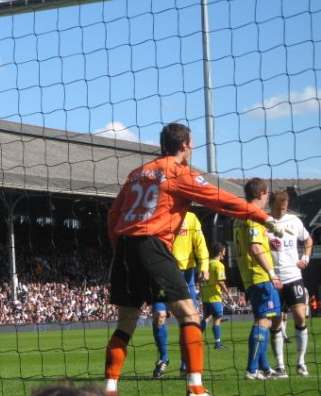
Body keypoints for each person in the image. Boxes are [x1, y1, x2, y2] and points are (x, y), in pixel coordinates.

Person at [105, 123, 289, 396]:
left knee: (126, 323)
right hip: (153, 245)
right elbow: (222, 200)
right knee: (189, 314)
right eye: (191, 144)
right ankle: (196, 387)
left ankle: (109, 388)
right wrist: (264, 218)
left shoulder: (135, 174)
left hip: (123, 251)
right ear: (185, 145)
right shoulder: (179, 173)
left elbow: (113, 214)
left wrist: (118, 246)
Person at [233, 178, 284, 380]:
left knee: (266, 320)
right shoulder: (253, 216)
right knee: (263, 320)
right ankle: (252, 369)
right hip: (260, 275)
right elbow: (254, 246)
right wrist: (271, 273)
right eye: (267, 194)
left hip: (249, 275)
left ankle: (264, 367)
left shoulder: (238, 216)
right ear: (262, 193)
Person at [152, 211, 209, 378]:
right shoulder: (159, 214)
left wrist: (204, 265)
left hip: (186, 275)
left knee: (192, 319)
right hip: (163, 273)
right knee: (158, 316)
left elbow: (200, 244)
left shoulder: (191, 218)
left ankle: (186, 362)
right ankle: (163, 359)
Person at [267, 189, 313, 377]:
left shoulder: (294, 221)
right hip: (273, 279)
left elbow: (308, 240)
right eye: (278, 209)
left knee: (300, 317)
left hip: (293, 276)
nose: (281, 212)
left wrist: (305, 258)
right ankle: (280, 366)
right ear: (271, 205)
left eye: (284, 209)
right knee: (276, 321)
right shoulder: (264, 222)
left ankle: (300, 362)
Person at [200, 242, 232, 350]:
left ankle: (195, 339)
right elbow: (220, 281)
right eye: (224, 251)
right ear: (220, 252)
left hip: (206, 296)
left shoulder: (207, 263)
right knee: (217, 319)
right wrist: (228, 294)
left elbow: (201, 278)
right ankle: (217, 344)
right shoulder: (219, 265)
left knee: (207, 317)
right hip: (214, 296)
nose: (225, 253)